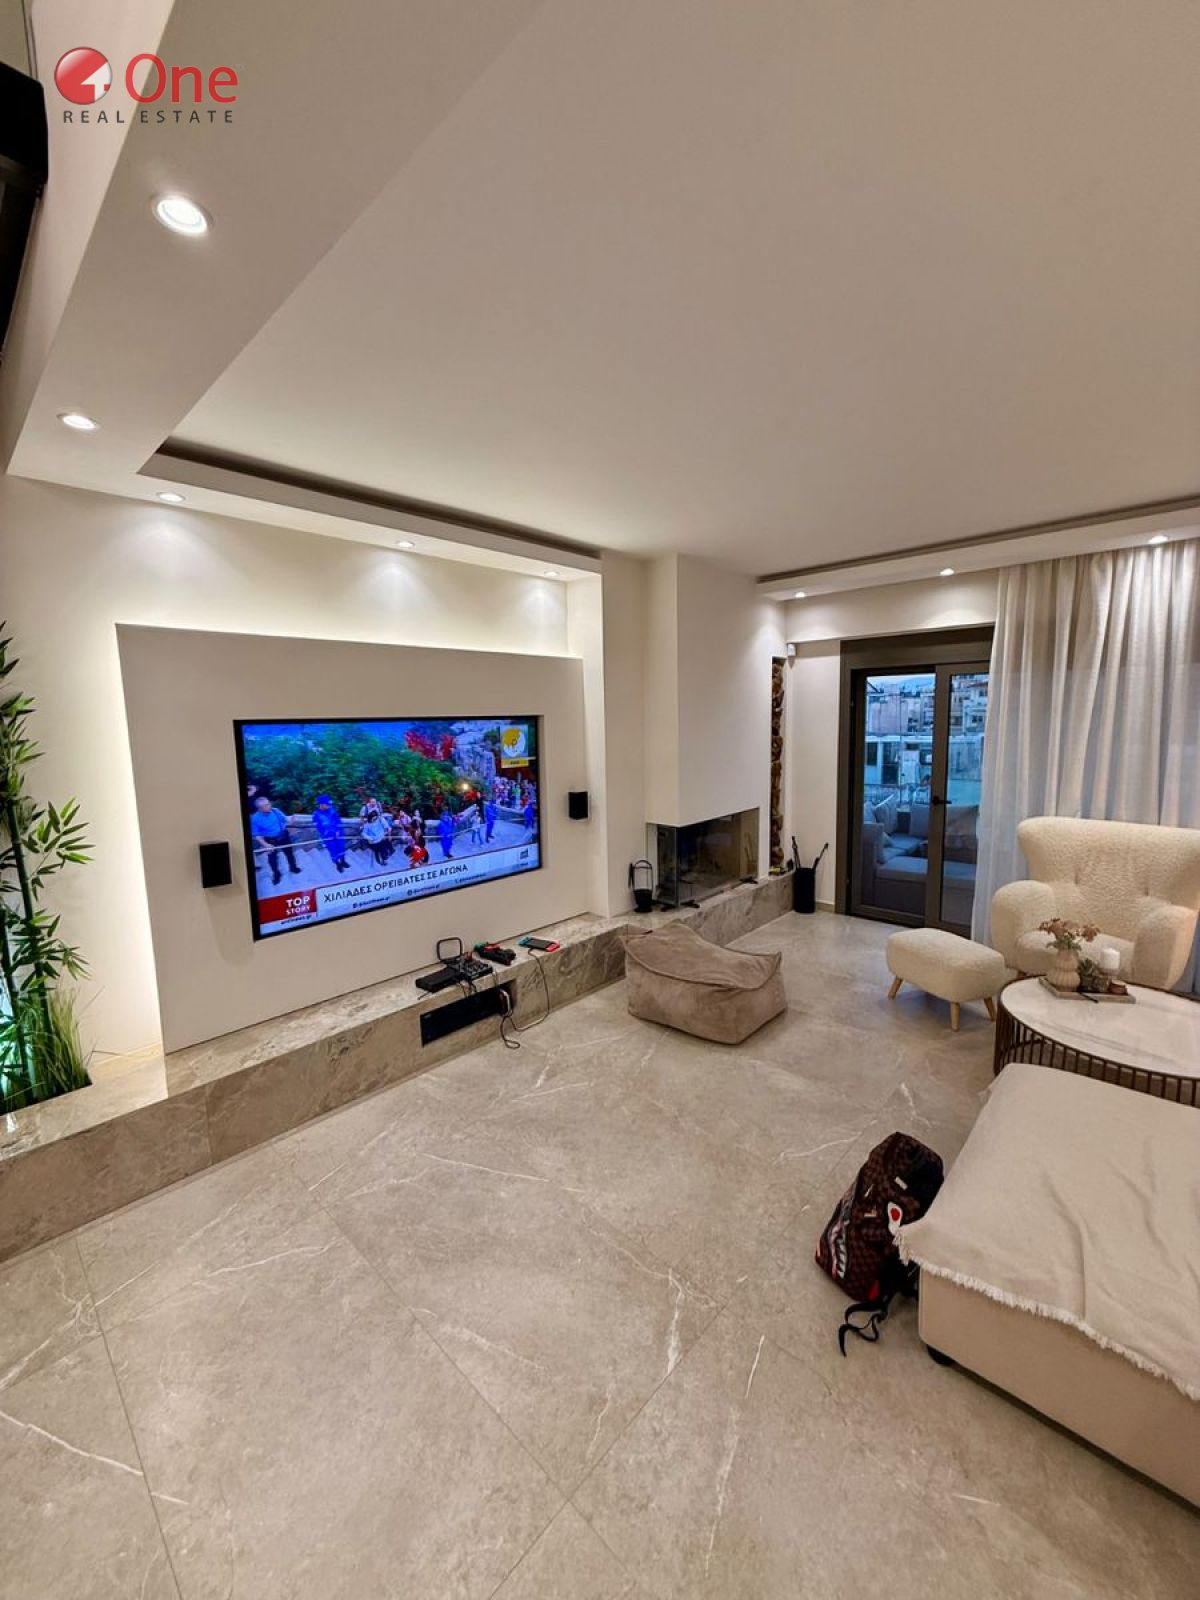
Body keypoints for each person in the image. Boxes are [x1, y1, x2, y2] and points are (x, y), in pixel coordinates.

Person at [250, 795, 302, 886]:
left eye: (268, 803)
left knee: (289, 853)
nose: (269, 806)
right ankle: (276, 875)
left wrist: (291, 820)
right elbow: (257, 835)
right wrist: (265, 845)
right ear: (260, 808)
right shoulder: (255, 819)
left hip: (284, 836)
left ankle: (293, 868)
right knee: (272, 859)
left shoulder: (275, 810)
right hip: (270, 841)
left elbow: (285, 819)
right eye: (266, 805)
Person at [311, 795, 349, 873]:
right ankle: (337, 864)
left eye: (329, 804)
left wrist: (338, 831)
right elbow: (319, 828)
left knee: (341, 847)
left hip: (338, 834)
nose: (329, 805)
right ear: (321, 804)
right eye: (327, 804)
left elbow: (338, 821)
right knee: (333, 850)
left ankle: (343, 861)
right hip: (328, 837)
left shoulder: (332, 810)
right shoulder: (316, 814)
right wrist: (330, 833)